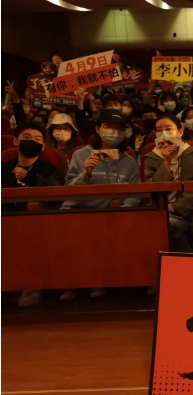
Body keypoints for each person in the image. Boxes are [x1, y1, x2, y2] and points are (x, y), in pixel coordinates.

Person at [60, 109, 141, 300]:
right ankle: (71, 283)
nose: (114, 132)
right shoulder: (81, 155)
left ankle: (100, 280)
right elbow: (68, 190)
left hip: (110, 213)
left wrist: (123, 212)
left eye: (119, 129)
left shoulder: (129, 161)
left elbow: (135, 195)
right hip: (79, 211)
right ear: (97, 129)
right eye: (108, 127)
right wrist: (85, 174)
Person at [2, 122, 64, 308]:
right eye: (27, 138)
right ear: (16, 141)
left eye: (38, 139)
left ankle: (32, 286)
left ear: (43, 146)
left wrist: (28, 178)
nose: (32, 142)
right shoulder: (3, 168)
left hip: (36, 222)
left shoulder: (49, 169)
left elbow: (55, 194)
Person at [143, 115, 193, 253]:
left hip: (185, 212)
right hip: (159, 210)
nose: (164, 133)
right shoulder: (151, 157)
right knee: (164, 225)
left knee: (169, 225)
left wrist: (175, 207)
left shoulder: (192, 153)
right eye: (159, 130)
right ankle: (190, 259)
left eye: (168, 129)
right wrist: (166, 162)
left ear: (180, 132)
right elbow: (151, 188)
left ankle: (187, 259)